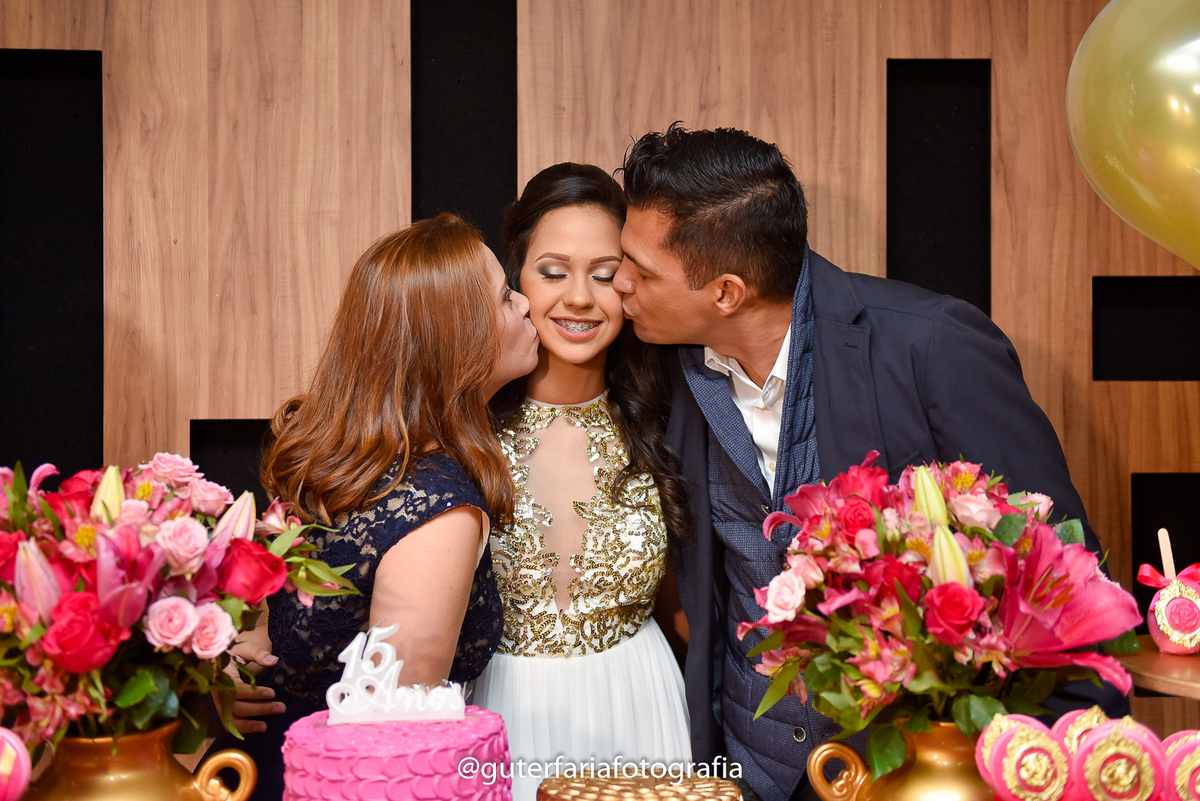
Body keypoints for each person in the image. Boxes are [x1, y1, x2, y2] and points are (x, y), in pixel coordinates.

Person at [612, 124, 1121, 801]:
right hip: (745, 763)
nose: (619, 284)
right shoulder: (664, 362)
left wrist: (1059, 769)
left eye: (641, 271)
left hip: (907, 768)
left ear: (727, 292)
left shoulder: (932, 347)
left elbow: (1065, 576)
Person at [203, 213, 540, 801]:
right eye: (506, 296)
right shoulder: (438, 508)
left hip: (248, 771)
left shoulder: (340, 465)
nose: (528, 304)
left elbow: (298, 620)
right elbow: (391, 737)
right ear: (458, 341)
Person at [471, 163, 693, 800]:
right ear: (516, 281)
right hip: (500, 714)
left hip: (641, 709)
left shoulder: (675, 422)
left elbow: (690, 607)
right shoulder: (461, 432)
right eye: (553, 271)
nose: (578, 298)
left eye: (603, 274)